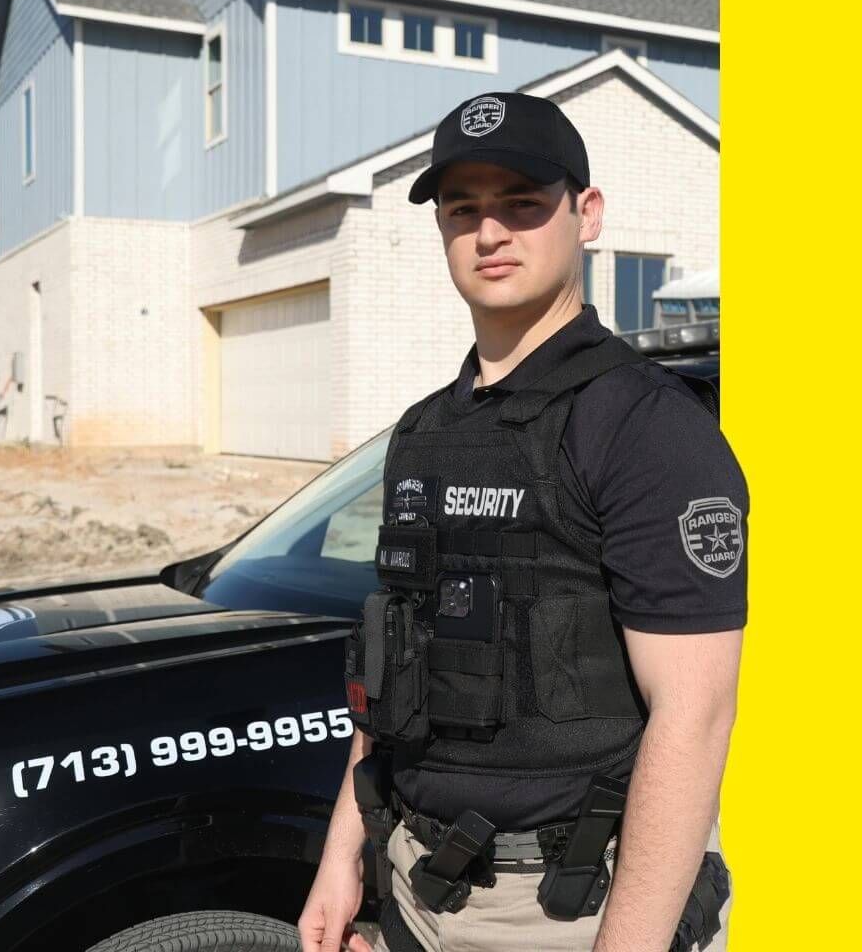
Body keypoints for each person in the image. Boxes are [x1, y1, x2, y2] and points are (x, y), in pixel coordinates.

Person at [298, 92, 746, 952]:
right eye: (463, 209)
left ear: (587, 215)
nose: (490, 232)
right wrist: (342, 853)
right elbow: (393, 665)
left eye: (522, 203)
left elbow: (695, 716)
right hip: (416, 884)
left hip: (572, 906)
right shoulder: (423, 434)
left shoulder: (646, 427)